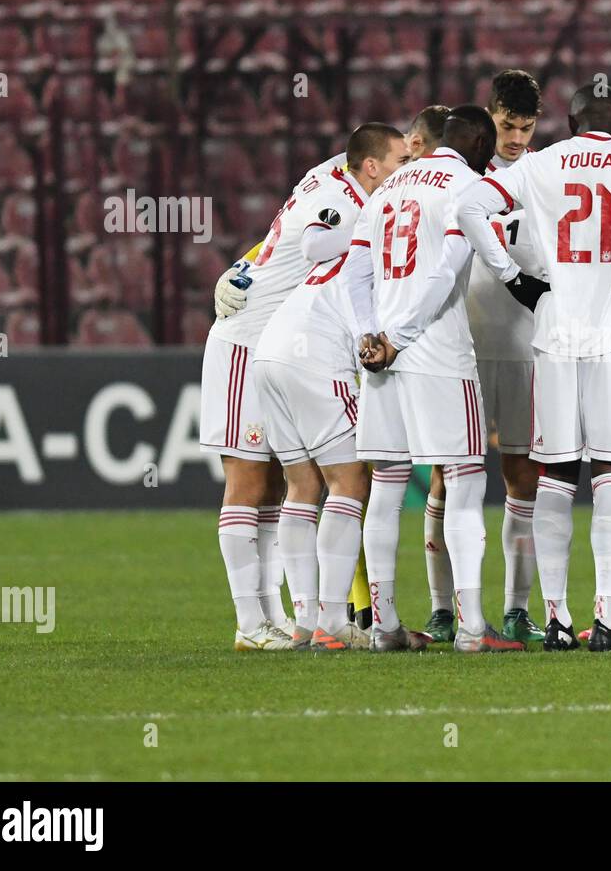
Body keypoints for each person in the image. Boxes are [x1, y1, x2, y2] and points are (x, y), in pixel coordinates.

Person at [456, 84, 611, 651]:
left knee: (557, 473)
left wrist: (514, 277)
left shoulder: (540, 164)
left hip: (554, 326)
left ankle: (559, 620)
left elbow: (469, 207)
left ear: (567, 122)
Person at [201, 124, 406, 651]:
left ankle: (283, 619)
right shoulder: (344, 196)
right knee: (249, 483)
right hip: (246, 338)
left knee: (284, 486)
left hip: (273, 337)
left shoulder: (333, 178)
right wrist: (380, 229)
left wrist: (244, 264)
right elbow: (313, 244)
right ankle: (251, 622)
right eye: (399, 160)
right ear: (372, 166)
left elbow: (281, 240)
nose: (406, 169)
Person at [351, 106, 525, 653]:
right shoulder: (467, 186)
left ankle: (383, 626)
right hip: (435, 352)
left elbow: (354, 270)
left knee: (385, 485)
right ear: (476, 142)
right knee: (467, 481)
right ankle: (473, 628)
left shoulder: (390, 185)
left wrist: (370, 335)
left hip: (379, 353)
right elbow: (448, 267)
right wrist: (402, 335)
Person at [421, 70, 548, 646]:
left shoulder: (545, 176)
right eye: (506, 125)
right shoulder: (461, 178)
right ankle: (443, 610)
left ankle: (518, 609)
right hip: (463, 347)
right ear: (489, 117)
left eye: (525, 127)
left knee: (524, 478)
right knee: (449, 479)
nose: (516, 138)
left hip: (524, 345)